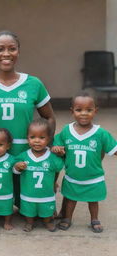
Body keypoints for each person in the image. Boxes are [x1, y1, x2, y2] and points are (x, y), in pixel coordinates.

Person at [0, 30, 55, 207]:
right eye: (0, 49)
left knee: (31, 203)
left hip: (27, 156)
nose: (6, 54)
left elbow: (49, 117)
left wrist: (45, 149)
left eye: (12, 48)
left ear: (18, 51)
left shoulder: (34, 84)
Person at [52, 92, 117, 233]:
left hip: (93, 177)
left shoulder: (101, 133)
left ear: (95, 111)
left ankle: (94, 219)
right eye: (79, 110)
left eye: (89, 110)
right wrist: (56, 148)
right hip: (72, 176)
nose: (84, 113)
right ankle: (67, 219)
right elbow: (56, 144)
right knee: (70, 199)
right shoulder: (66, 131)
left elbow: (114, 148)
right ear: (72, 111)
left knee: (93, 200)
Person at [14, 118, 64, 232]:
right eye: (32, 137)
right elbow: (15, 171)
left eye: (41, 138)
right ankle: (29, 223)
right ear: (27, 138)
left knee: (47, 211)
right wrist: (17, 167)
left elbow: (58, 167)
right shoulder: (23, 156)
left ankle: (48, 222)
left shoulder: (51, 156)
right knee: (28, 211)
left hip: (46, 193)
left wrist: (60, 155)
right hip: (28, 193)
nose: (37, 141)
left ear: (49, 139)